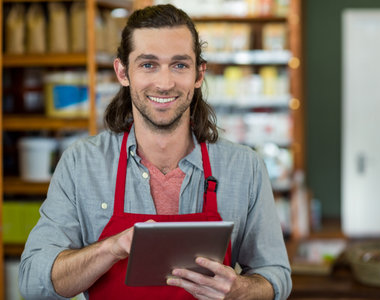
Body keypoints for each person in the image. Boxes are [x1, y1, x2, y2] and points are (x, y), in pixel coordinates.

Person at [18, 4, 292, 300]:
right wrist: (111, 248)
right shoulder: (81, 163)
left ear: (199, 74)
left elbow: (276, 276)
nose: (165, 83)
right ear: (123, 72)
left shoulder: (244, 168)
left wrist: (242, 290)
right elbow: (34, 281)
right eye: (148, 64)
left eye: (180, 65)